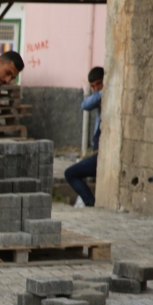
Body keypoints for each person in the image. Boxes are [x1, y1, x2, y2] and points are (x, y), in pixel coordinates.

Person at [65, 67, 104, 207]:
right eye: (93, 86)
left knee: (70, 174)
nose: (96, 89)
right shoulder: (100, 96)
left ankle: (90, 203)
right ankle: (90, 202)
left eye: (99, 84)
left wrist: (103, 90)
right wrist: (101, 92)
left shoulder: (106, 94)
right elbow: (85, 105)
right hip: (96, 151)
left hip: (102, 154)